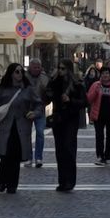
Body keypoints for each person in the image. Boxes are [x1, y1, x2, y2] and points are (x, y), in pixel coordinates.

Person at [0, 63, 41, 193]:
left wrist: (35, 113)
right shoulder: (3, 88)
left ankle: (12, 184)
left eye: (21, 71)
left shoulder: (28, 89)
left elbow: (39, 104)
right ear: (11, 73)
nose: (20, 74)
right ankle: (2, 181)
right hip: (7, 126)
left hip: (21, 128)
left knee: (15, 156)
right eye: (17, 72)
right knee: (5, 155)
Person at [43, 57, 87, 192]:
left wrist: (70, 100)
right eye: (59, 68)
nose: (60, 71)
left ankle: (70, 181)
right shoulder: (55, 82)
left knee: (69, 149)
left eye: (62, 68)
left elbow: (84, 102)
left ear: (68, 69)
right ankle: (62, 181)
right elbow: (47, 97)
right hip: (58, 120)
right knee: (60, 151)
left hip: (71, 120)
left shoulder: (77, 84)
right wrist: (50, 81)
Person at [26, 58, 48, 167]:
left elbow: (48, 93)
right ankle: (28, 157)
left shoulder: (44, 78)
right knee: (26, 134)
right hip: (27, 109)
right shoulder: (24, 77)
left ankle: (39, 157)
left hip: (40, 109)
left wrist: (45, 102)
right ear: (30, 67)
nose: (37, 69)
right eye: (35, 67)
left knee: (40, 133)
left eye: (38, 67)